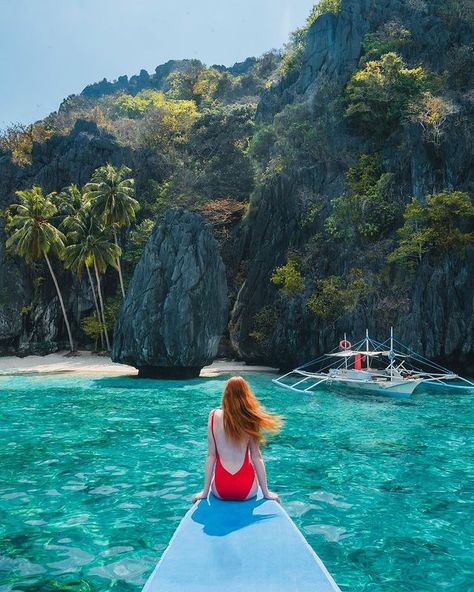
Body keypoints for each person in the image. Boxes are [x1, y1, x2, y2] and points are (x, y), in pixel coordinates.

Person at [192, 376, 283, 504]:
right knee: (252, 464)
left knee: (216, 471)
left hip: (221, 490)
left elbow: (210, 456)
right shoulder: (251, 419)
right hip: (246, 490)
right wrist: (266, 492)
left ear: (225, 395)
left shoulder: (213, 416)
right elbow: (257, 457)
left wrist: (204, 492)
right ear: (246, 395)